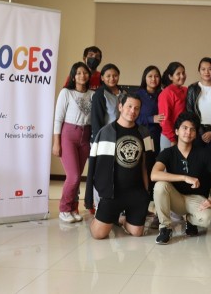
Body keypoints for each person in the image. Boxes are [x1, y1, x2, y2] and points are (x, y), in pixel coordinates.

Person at [151, 112, 211, 245]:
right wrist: (184, 177)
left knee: (209, 218)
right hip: (175, 197)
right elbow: (154, 174)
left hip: (196, 199)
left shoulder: (204, 154)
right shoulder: (168, 153)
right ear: (176, 131)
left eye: (192, 129)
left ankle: (190, 220)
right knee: (160, 185)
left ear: (196, 133)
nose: (188, 132)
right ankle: (165, 228)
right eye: (185, 128)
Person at [84, 93, 155, 239]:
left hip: (136, 192)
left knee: (137, 233)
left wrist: (147, 192)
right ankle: (102, 218)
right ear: (120, 107)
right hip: (112, 193)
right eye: (129, 106)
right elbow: (94, 166)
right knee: (98, 235)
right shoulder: (105, 132)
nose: (132, 111)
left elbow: (146, 165)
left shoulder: (144, 133)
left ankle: (122, 220)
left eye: (136, 108)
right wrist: (94, 194)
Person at [52, 62, 94, 223]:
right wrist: (56, 142)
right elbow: (58, 119)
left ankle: (73, 208)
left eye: (85, 73)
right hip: (69, 134)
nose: (82, 75)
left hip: (86, 136)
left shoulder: (92, 94)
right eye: (78, 73)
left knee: (78, 175)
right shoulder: (66, 93)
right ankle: (64, 209)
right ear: (73, 76)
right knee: (74, 176)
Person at [90, 63, 126, 142]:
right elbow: (96, 120)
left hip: (122, 134)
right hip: (106, 136)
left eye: (115, 75)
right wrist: (98, 141)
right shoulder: (99, 94)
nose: (112, 78)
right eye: (108, 76)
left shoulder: (124, 93)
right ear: (102, 78)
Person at [136, 65, 164, 159]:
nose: (153, 79)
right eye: (150, 76)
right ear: (145, 78)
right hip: (144, 134)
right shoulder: (138, 95)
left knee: (158, 161)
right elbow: (134, 117)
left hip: (161, 135)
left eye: (156, 76)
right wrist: (151, 119)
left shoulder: (162, 94)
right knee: (146, 161)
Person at [158, 62, 187, 150]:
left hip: (183, 135)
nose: (182, 76)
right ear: (171, 77)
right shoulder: (166, 93)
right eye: (178, 74)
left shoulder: (186, 90)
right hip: (169, 137)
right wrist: (173, 139)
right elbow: (164, 120)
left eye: (183, 73)